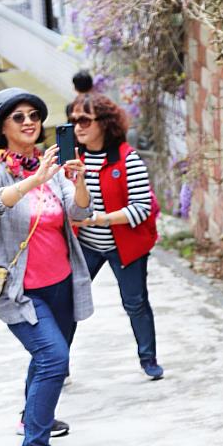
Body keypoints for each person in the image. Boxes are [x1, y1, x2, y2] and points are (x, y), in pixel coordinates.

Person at [0, 88, 94, 446]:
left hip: (62, 283)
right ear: (2, 127)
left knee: (46, 357)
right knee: (53, 359)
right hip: (20, 291)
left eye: (33, 115)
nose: (29, 122)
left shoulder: (51, 165)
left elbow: (78, 213)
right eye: (18, 117)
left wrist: (77, 180)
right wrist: (33, 179)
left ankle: (32, 417)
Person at [68, 92, 164, 379]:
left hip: (125, 246)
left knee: (135, 302)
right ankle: (57, 366)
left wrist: (101, 219)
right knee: (69, 302)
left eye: (85, 120)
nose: (78, 127)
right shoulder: (73, 159)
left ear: (104, 123)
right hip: (86, 245)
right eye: (74, 121)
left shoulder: (127, 159)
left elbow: (141, 208)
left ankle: (148, 359)